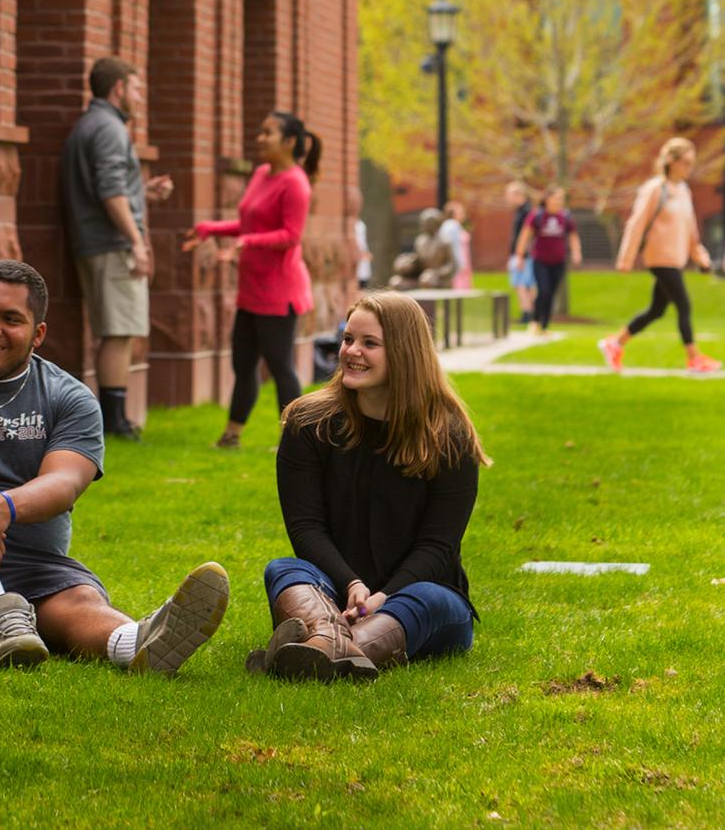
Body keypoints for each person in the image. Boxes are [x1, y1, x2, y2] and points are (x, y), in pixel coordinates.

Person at [0, 259, 229, 672]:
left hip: (27, 562)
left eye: (10, 319)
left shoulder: (69, 397)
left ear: (38, 334)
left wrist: (4, 508)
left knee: (78, 600)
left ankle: (135, 643)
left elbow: (66, 480)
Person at [245, 291, 490, 682]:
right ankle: (330, 647)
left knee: (426, 598)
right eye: (347, 339)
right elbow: (306, 527)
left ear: (406, 353)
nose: (351, 352)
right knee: (286, 570)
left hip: (424, 597)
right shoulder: (308, 424)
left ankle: (321, 648)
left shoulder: (448, 435)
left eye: (369, 343)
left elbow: (438, 545)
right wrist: (352, 583)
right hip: (337, 593)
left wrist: (383, 596)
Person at [181, 111, 318, 449]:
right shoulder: (260, 174)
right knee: (242, 363)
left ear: (288, 142)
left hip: (279, 291)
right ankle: (231, 435)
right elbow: (249, 224)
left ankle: (297, 440)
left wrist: (247, 243)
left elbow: (291, 234)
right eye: (260, 131)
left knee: (280, 366)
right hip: (251, 288)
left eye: (267, 132)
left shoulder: (296, 183)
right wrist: (211, 229)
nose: (259, 137)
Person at [60, 57, 174, 439]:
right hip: (111, 244)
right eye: (137, 89)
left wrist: (144, 191)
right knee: (119, 330)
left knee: (117, 328)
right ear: (119, 89)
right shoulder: (109, 128)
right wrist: (137, 242)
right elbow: (109, 192)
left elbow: (110, 188)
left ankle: (115, 418)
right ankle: (115, 423)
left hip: (96, 241)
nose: (141, 97)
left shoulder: (90, 125)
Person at [601, 138, 720, 374]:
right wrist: (625, 258)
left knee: (657, 310)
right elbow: (636, 224)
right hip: (659, 258)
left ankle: (615, 343)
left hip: (676, 259)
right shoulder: (655, 189)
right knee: (684, 305)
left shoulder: (684, 191)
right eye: (685, 162)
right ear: (671, 161)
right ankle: (694, 358)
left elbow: (691, 233)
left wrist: (701, 259)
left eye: (691, 163)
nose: (689, 168)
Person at [511, 185, 581, 334]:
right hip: (540, 260)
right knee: (543, 290)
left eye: (561, 199)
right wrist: (520, 256)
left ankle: (545, 325)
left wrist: (576, 252)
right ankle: (535, 321)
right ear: (547, 199)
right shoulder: (537, 216)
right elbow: (525, 236)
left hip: (558, 261)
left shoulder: (566, 216)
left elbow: (573, 236)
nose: (558, 201)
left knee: (551, 293)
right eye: (556, 198)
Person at [505, 181, 537, 323]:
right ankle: (528, 313)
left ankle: (528, 314)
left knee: (522, 284)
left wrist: (521, 256)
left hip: (523, 256)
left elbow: (527, 236)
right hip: (521, 255)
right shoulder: (522, 211)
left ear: (519, 194)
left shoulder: (527, 212)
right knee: (522, 284)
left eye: (509, 195)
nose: (507, 198)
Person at [438, 201, 473, 290]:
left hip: (460, 262)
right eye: (461, 212)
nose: (463, 215)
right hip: (458, 264)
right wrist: (461, 264)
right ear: (452, 213)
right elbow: (455, 246)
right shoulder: (452, 225)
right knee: (459, 288)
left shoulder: (451, 225)